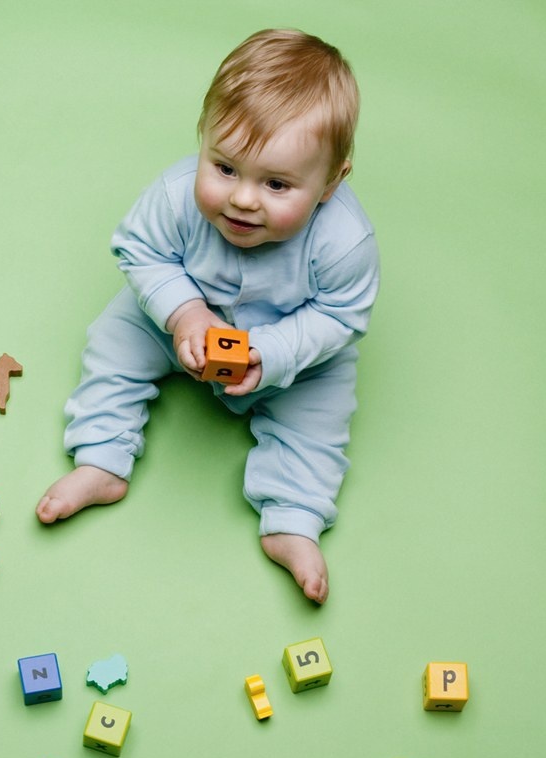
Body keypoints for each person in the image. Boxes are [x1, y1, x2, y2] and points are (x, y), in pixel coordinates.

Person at [35, 28, 379, 604]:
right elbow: (139, 251)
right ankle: (101, 458)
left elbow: (341, 317)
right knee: (113, 342)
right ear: (203, 140)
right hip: (178, 317)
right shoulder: (174, 197)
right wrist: (184, 313)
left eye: (276, 183)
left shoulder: (344, 241)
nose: (243, 199)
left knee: (320, 416)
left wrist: (271, 352)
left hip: (292, 349)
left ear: (330, 182)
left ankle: (293, 519)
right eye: (223, 168)